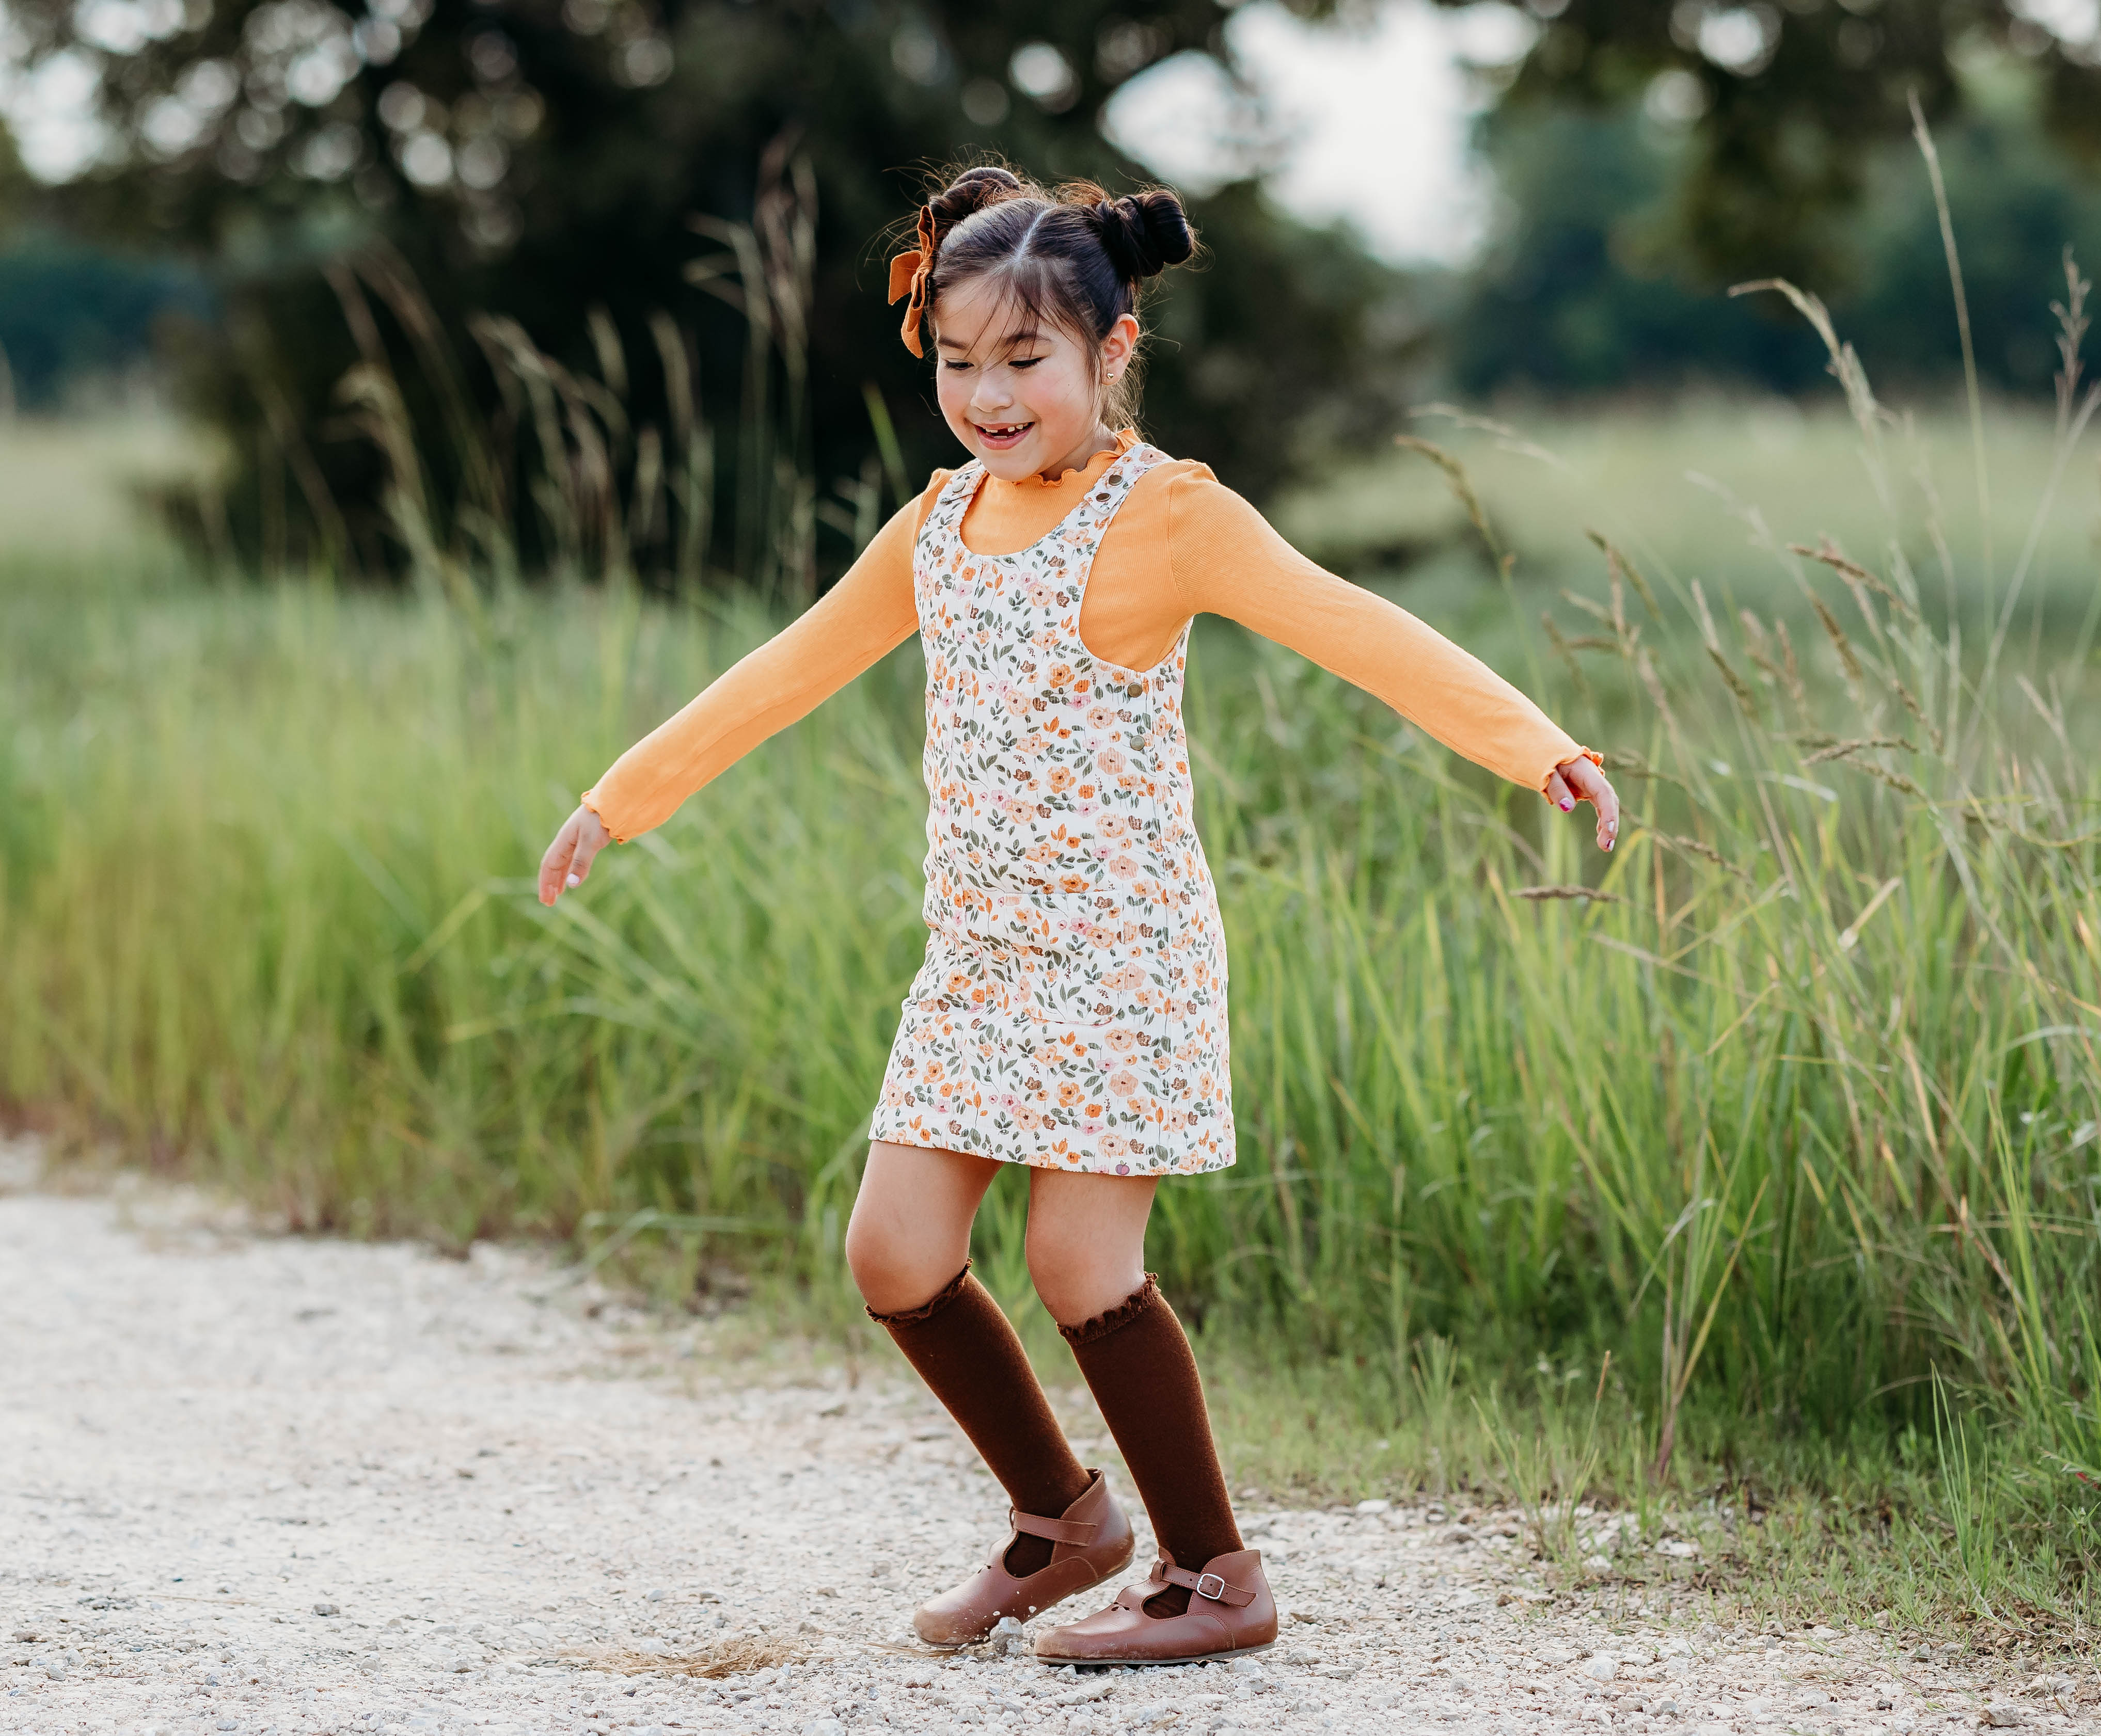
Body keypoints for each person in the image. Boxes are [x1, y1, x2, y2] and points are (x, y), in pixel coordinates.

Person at [538, 163, 1618, 1666]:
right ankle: (1062, 1523)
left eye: (1025, 360)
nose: (988, 394)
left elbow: (1353, 623)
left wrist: (1532, 742)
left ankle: (1212, 1573)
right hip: (979, 956)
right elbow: (787, 667)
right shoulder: (939, 523)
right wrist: (620, 794)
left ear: (1111, 352)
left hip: (1123, 959)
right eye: (959, 362)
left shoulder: (1169, 517)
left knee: (1078, 1268)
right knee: (894, 1255)